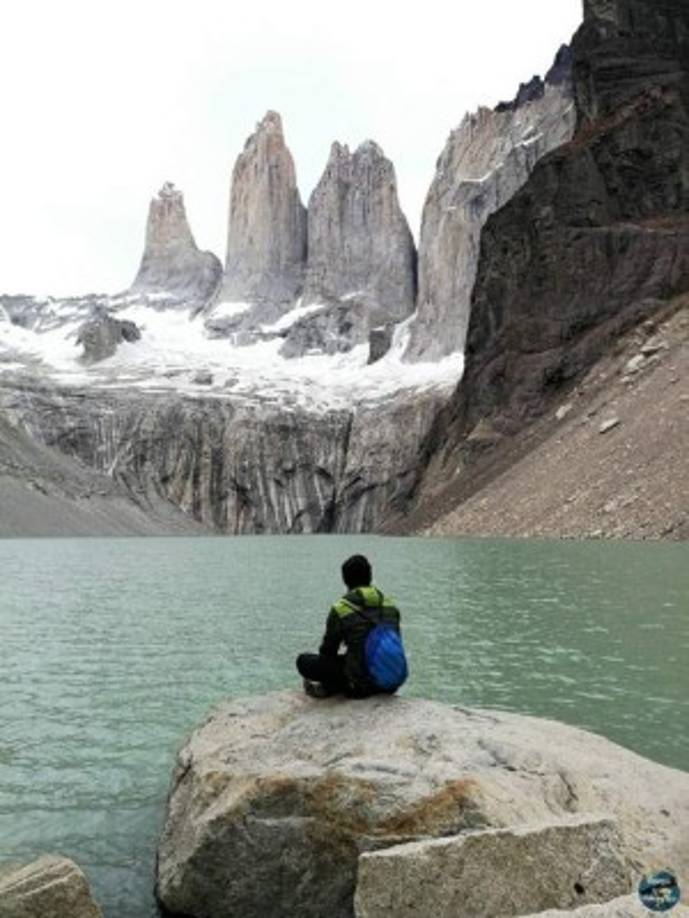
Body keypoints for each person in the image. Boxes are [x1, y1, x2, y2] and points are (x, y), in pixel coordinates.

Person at [296, 554, 403, 699]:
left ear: (345, 580)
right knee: (353, 659)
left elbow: (328, 651)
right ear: (370, 577)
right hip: (390, 683)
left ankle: (330, 688)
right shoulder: (390, 606)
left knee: (304, 661)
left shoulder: (341, 608)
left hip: (360, 686)